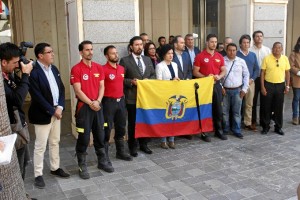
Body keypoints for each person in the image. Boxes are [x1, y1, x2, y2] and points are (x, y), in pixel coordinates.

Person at [29, 43, 70, 189]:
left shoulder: (55, 69)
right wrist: (53, 111)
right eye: (49, 52)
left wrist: (60, 106)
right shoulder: (33, 73)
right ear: (40, 55)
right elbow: (37, 96)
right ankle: (38, 175)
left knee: (54, 142)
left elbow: (62, 88)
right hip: (43, 114)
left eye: (52, 51)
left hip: (56, 112)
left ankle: (55, 168)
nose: (52, 54)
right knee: (40, 146)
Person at [70, 40, 114, 180]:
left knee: (100, 135)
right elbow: (77, 90)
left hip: (98, 106)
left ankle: (102, 161)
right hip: (84, 108)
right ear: (81, 52)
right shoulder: (76, 69)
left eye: (91, 49)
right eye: (87, 50)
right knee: (83, 137)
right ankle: (82, 165)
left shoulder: (98, 67)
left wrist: (98, 101)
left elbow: (102, 87)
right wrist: (90, 103)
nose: (90, 52)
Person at [0, 42, 37, 199]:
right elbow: (17, 98)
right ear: (3, 62)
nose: (18, 64)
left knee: (24, 162)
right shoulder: (2, 81)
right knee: (17, 164)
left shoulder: (8, 75)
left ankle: (21, 192)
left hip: (19, 124)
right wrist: (26, 75)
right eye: (15, 62)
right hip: (11, 130)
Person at [120, 36, 156, 157]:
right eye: (136, 45)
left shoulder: (147, 60)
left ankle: (144, 144)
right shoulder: (125, 61)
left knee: (145, 121)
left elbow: (153, 75)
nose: (139, 47)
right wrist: (131, 82)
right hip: (132, 97)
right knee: (133, 123)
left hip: (146, 98)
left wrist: (148, 80)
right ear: (131, 46)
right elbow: (121, 79)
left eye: (141, 44)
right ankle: (132, 146)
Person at [193, 33, 227, 142]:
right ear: (207, 42)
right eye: (212, 42)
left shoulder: (219, 56)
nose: (214, 44)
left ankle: (218, 131)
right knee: (205, 109)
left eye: (215, 42)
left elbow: (223, 70)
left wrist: (219, 76)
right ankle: (204, 132)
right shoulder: (200, 56)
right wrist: (206, 77)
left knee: (218, 109)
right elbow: (195, 72)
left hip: (216, 85)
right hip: (204, 86)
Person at [102, 45, 132, 162]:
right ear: (106, 56)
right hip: (108, 103)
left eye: (116, 53)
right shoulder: (102, 69)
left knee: (121, 127)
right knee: (106, 128)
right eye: (112, 53)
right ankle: (104, 155)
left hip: (121, 102)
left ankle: (120, 152)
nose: (116, 55)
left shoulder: (121, 69)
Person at [260, 42, 290, 135]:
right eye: (275, 47)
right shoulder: (267, 58)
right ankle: (265, 126)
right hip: (268, 85)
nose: (277, 49)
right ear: (272, 48)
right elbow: (262, 73)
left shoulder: (285, 59)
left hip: (280, 85)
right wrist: (262, 87)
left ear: (281, 49)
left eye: (279, 48)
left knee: (278, 107)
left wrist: (287, 85)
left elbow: (287, 73)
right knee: (266, 107)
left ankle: (278, 127)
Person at [222, 43, 249, 139]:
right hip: (225, 90)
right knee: (224, 112)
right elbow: (218, 75)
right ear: (226, 50)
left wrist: (244, 89)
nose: (232, 52)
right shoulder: (222, 61)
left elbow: (246, 75)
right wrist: (221, 87)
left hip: (238, 90)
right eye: (230, 50)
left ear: (236, 51)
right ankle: (225, 129)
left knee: (236, 112)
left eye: (234, 50)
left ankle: (237, 130)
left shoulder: (241, 61)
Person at [155, 44, 180, 149]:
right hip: (164, 95)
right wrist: (171, 81)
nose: (171, 55)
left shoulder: (175, 65)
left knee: (174, 116)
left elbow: (176, 78)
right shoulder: (159, 66)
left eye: (172, 53)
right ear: (163, 54)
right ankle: (163, 140)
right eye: (168, 53)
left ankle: (172, 139)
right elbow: (159, 82)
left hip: (174, 94)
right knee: (164, 117)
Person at [237, 34, 259, 131]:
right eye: (244, 42)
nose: (246, 44)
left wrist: (252, 79)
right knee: (237, 104)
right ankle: (236, 123)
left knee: (249, 104)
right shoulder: (236, 54)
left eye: (247, 42)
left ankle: (247, 122)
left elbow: (256, 69)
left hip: (250, 83)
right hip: (238, 83)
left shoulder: (253, 55)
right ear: (240, 44)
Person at [250, 30, 271, 128]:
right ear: (254, 38)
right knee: (252, 101)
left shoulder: (267, 50)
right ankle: (253, 121)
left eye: (261, 36)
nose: (259, 38)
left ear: (263, 38)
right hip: (253, 78)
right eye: (257, 36)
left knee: (264, 101)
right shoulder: (250, 50)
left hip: (265, 79)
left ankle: (264, 121)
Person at [289, 36, 300, 125]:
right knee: (296, 98)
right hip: (297, 79)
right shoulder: (294, 53)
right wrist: (298, 72)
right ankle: (295, 116)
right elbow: (291, 66)